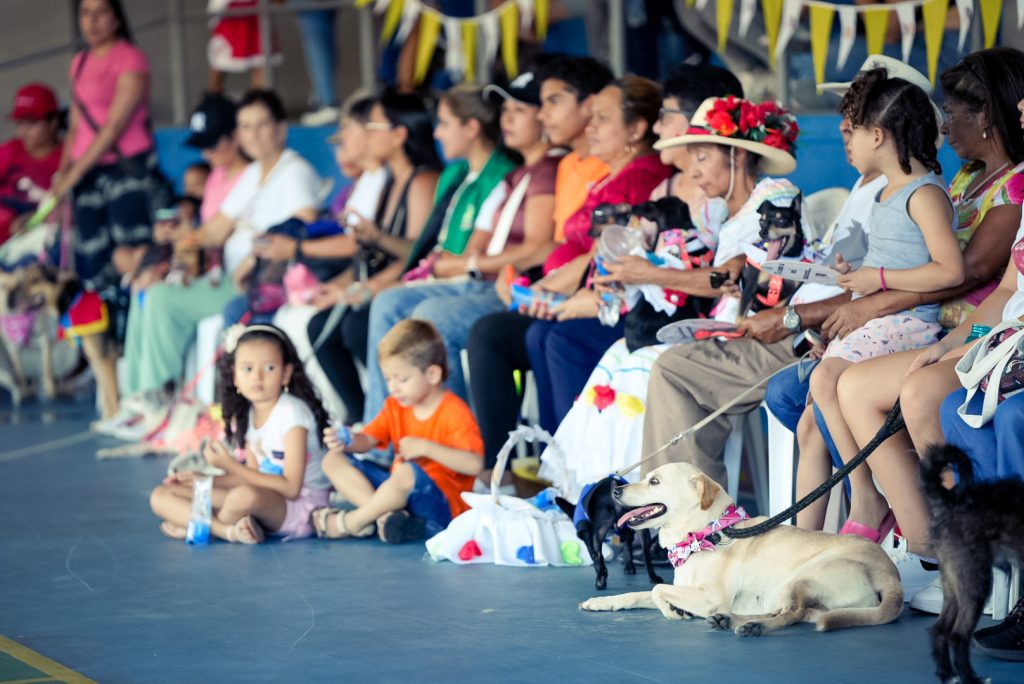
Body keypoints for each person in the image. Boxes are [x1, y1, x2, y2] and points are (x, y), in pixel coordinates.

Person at [536, 65, 745, 497]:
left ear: (697, 123)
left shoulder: (723, 196)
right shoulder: (665, 188)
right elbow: (631, 258)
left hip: (701, 327)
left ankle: (644, 494)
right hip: (651, 321)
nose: (657, 127)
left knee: (622, 363)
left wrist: (646, 274)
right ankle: (591, 494)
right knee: (613, 366)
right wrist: (616, 282)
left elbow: (725, 281)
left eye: (666, 116)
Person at [800, 68, 964, 545]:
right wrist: (860, 273)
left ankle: (866, 494)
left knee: (825, 378)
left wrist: (879, 278)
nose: (846, 139)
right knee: (821, 381)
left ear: (878, 134)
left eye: (854, 131)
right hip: (885, 319)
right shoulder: (888, 193)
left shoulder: (925, 193)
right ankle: (856, 497)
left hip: (911, 322)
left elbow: (949, 270)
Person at [361, 72, 559, 411]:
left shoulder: (544, 169)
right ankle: (387, 433)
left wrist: (465, 264)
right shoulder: (515, 175)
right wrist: (456, 263)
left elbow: (537, 249)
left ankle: (453, 439)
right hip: (480, 279)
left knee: (432, 314)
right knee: (388, 302)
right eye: (505, 110)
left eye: (518, 111)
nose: (506, 119)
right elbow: (477, 246)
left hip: (509, 286)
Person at [118, 90, 320, 401]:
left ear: (280, 128)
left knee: (161, 299)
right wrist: (179, 234)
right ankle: (137, 394)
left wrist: (254, 260)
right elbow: (214, 231)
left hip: (259, 284)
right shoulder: (254, 172)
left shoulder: (294, 172)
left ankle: (157, 395)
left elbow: (303, 228)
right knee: (145, 288)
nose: (253, 135)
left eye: (262, 125)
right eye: (246, 127)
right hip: (232, 279)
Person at [305, 91, 441, 422]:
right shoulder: (391, 181)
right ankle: (364, 415)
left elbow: (417, 254)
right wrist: (345, 286)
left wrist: (372, 279)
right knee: (320, 328)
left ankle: (394, 414)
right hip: (385, 283)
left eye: (373, 126)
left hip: (409, 286)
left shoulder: (422, 181)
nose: (367, 133)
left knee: (354, 327)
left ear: (399, 135)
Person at [149, 324, 331, 544]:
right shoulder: (248, 415)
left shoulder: (292, 413)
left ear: (286, 374)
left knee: (243, 495)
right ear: (234, 376)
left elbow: (291, 488)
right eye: (247, 369)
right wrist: (207, 479)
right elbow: (253, 474)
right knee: (162, 494)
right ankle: (227, 531)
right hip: (263, 498)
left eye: (269, 368)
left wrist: (229, 465)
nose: (258, 377)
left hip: (300, 508)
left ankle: (194, 523)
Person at [55, 0, 171, 336]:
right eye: (85, 13)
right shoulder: (79, 62)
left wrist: (74, 173)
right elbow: (75, 127)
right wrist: (63, 174)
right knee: (91, 260)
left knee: (130, 253)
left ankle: (133, 333)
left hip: (126, 170)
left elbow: (113, 126)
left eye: (100, 12)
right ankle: (100, 341)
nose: (92, 21)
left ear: (117, 19)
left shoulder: (130, 58)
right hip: (88, 174)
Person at [311, 320, 484, 543]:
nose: (393, 387)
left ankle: (352, 522)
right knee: (332, 460)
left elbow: (474, 464)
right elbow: (368, 440)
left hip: (441, 508)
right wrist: (347, 439)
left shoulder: (454, 411)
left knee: (405, 472)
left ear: (432, 375)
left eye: (402, 379)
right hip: (399, 495)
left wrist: (425, 448)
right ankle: (384, 515)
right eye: (388, 379)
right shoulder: (396, 405)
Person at [0, 84, 62, 246]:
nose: (24, 131)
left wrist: (34, 221)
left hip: (34, 244)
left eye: (32, 123)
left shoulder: (66, 158)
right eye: (20, 123)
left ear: (53, 121)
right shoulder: (11, 150)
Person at [206, 0, 281, 94]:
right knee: (219, 65)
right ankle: (212, 103)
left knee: (259, 62)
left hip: (257, 14)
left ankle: (257, 102)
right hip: (228, 14)